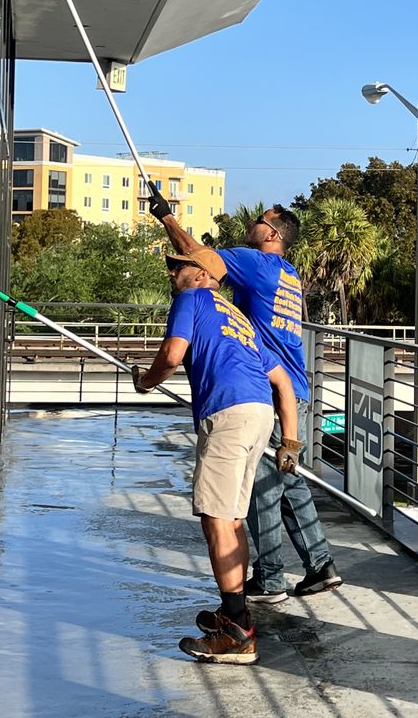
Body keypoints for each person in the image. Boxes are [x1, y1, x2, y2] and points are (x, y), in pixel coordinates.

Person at [148, 191, 342, 602]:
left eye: (260, 218)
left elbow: (200, 259)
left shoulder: (258, 263)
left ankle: (270, 578)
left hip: (268, 385)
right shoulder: (289, 273)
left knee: (259, 488)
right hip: (289, 387)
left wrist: (166, 218)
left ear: (271, 233)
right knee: (286, 481)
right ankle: (320, 564)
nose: (252, 221)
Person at [131, 246, 301, 664]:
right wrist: (289, 443)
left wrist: (146, 381)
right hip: (258, 414)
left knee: (216, 520)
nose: (172, 273)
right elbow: (283, 384)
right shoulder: (238, 316)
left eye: (179, 266)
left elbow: (172, 355)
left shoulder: (191, 299)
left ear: (202, 273)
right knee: (233, 519)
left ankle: (238, 633)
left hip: (227, 414)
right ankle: (231, 614)